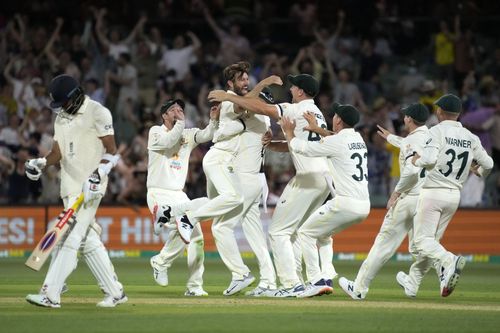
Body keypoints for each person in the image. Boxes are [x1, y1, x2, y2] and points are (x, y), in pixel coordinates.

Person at [208, 73, 332, 297]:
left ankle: (289, 285)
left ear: (301, 92)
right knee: (295, 232)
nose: (291, 89)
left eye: (294, 87)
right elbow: (301, 143)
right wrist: (275, 145)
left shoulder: (296, 109)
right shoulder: (317, 113)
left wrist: (228, 97)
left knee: (277, 232)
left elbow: (261, 108)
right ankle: (307, 281)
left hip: (306, 178)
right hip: (323, 178)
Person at [25, 74, 126, 308]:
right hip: (69, 189)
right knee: (87, 240)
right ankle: (116, 293)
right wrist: (40, 163)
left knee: (69, 238)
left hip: (89, 189)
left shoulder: (97, 112)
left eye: (65, 103)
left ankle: (51, 294)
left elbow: (112, 151)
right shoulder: (60, 118)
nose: (62, 109)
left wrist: (97, 175)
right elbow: (56, 154)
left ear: (76, 95)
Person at [337, 103, 431, 300]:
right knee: (421, 245)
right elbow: (409, 145)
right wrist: (390, 138)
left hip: (407, 198)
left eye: (406, 116)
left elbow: (411, 169)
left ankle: (360, 288)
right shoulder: (429, 138)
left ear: (410, 120)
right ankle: (441, 268)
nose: (403, 118)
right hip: (425, 199)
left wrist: (396, 193)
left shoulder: (410, 141)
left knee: (383, 244)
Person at [279, 104, 371, 297]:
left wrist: (288, 132)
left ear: (338, 120)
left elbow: (302, 148)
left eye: (335, 115)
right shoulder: (358, 138)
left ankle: (316, 281)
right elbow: (333, 138)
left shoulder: (337, 141)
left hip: (345, 203)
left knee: (305, 232)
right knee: (322, 235)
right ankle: (327, 275)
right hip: (364, 206)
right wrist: (317, 129)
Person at [407, 94, 493, 297]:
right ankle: (418, 283)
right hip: (454, 195)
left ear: (439, 111)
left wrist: (415, 161)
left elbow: (428, 160)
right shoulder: (471, 137)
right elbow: (488, 164)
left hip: (432, 192)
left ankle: (449, 260)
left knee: (421, 242)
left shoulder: (436, 131)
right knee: (432, 242)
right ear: (458, 114)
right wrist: (479, 172)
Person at [211, 84, 278, 297]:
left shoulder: (257, 116)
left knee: (220, 227)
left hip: (246, 180)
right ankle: (268, 281)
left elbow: (241, 106)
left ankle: (240, 274)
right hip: (254, 179)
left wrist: (226, 96)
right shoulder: (261, 119)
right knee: (255, 235)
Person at [148, 99, 220, 296]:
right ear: (164, 116)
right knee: (188, 224)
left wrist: (213, 121)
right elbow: (169, 142)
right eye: (173, 110)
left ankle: (193, 286)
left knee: (196, 234)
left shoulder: (187, 134)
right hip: (158, 192)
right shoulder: (155, 131)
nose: (178, 112)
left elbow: (207, 134)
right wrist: (181, 123)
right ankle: (164, 215)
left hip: (179, 195)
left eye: (180, 109)